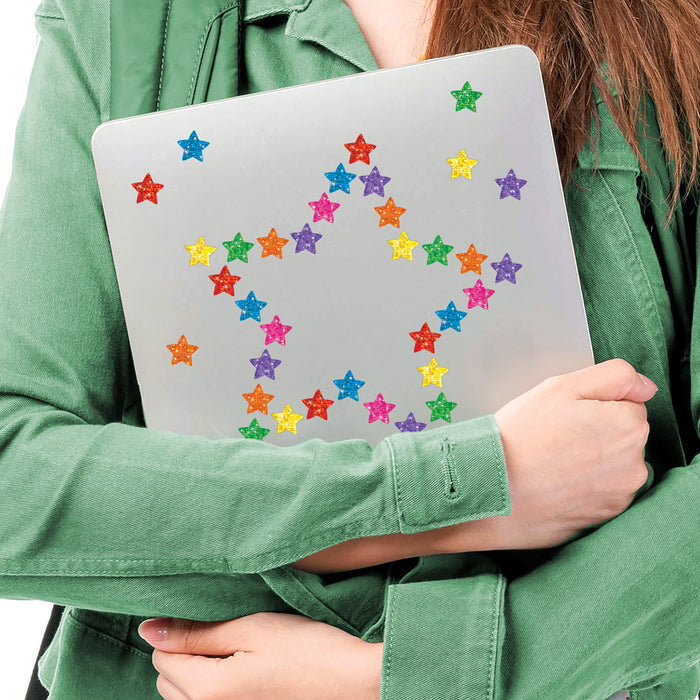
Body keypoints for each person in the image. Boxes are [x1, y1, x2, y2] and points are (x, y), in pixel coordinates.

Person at [2, 0, 699, 698]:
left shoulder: (661, 27)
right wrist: (483, 484)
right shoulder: (129, 24)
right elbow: (15, 483)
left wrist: (395, 677)